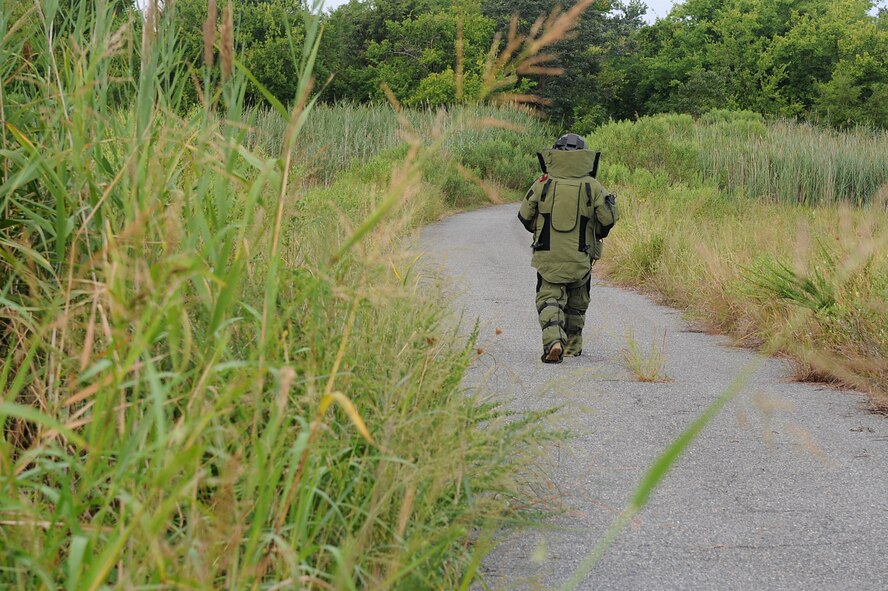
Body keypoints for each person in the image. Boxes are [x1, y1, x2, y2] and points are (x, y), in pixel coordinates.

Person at [517, 133, 619, 364]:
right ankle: (573, 346)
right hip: (581, 254)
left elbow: (524, 217)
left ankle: (553, 341)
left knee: (549, 299)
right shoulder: (592, 186)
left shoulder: (543, 183)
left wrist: (541, 228)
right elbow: (607, 220)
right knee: (577, 302)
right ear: (585, 157)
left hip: (548, 253)